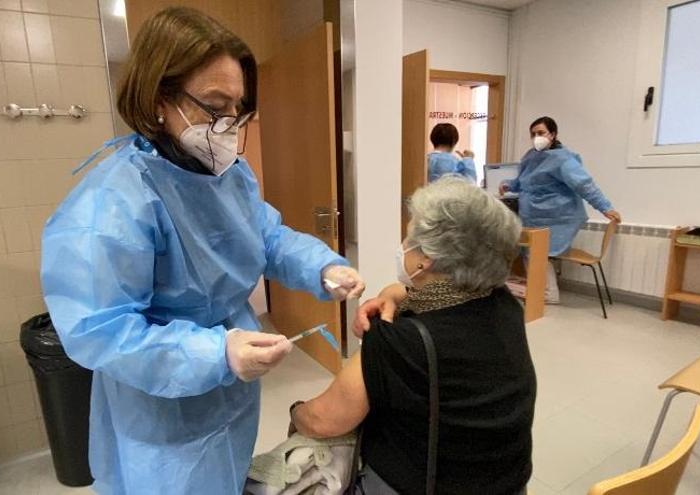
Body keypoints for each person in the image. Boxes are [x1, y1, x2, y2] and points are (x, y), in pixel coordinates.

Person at [40, 8, 365, 494]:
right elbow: (100, 331)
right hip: (164, 416)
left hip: (231, 397)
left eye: (238, 110)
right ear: (158, 99)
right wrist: (216, 351)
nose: (229, 126)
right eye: (215, 107)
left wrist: (322, 266)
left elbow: (267, 236)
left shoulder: (229, 176)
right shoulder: (113, 203)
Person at [289, 177, 536, 495]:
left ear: (426, 259)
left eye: (409, 236)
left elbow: (324, 419)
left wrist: (296, 411)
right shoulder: (503, 303)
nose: (402, 243)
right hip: (509, 482)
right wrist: (393, 296)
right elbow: (422, 294)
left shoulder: (404, 340)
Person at [500, 116, 621, 303]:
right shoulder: (531, 156)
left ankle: (548, 294)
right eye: (533, 134)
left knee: (540, 253)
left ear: (553, 134)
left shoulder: (563, 160)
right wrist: (509, 186)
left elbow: (584, 185)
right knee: (529, 252)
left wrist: (605, 207)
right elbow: (523, 181)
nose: (536, 137)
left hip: (557, 216)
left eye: (541, 133)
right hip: (534, 215)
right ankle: (540, 291)